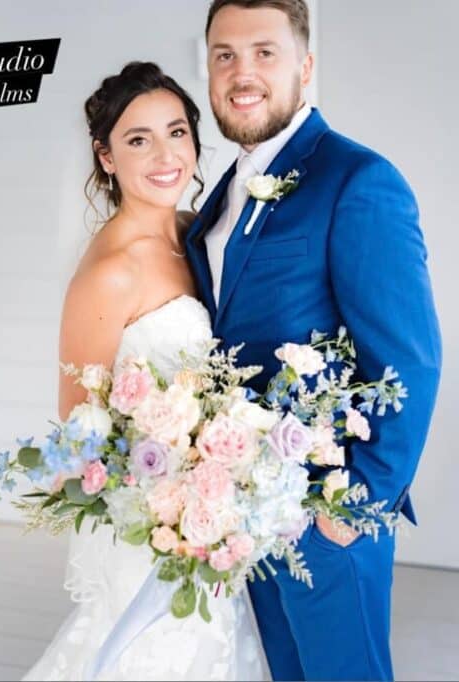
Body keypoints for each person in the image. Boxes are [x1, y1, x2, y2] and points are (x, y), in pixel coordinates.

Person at [185, 1, 441, 679]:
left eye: (264, 53)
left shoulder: (358, 181)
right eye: (224, 55)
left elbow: (410, 356)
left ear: (305, 65)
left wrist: (351, 509)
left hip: (330, 517)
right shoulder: (221, 195)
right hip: (250, 512)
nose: (243, 73)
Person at [24, 61, 269, 681]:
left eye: (177, 132)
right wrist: (170, 485)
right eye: (139, 140)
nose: (165, 155)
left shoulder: (195, 232)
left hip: (208, 509)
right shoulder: (111, 271)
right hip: (152, 522)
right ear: (106, 158)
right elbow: (78, 422)